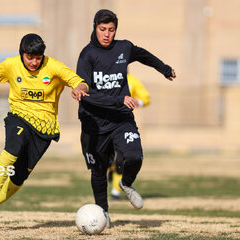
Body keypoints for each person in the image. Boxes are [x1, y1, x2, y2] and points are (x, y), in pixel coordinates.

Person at [0, 33, 88, 230]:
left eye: (38, 58)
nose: (34, 62)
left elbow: (78, 80)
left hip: (45, 128)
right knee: (13, 146)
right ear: (22, 54)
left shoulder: (54, 67)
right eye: (29, 57)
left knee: (18, 177)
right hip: (19, 117)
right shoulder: (11, 64)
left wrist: (79, 89)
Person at [76, 9, 176, 227]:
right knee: (99, 171)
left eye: (111, 30)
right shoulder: (87, 54)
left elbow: (144, 55)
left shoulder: (124, 48)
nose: (107, 34)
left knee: (134, 156)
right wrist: (81, 87)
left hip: (121, 119)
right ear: (95, 27)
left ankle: (127, 184)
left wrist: (164, 68)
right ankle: (103, 212)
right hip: (95, 122)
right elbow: (87, 93)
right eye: (102, 29)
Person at [109, 73, 150, 200]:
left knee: (121, 159)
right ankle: (110, 168)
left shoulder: (132, 80)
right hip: (104, 124)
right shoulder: (103, 77)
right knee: (106, 159)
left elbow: (146, 98)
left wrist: (138, 102)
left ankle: (115, 192)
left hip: (123, 126)